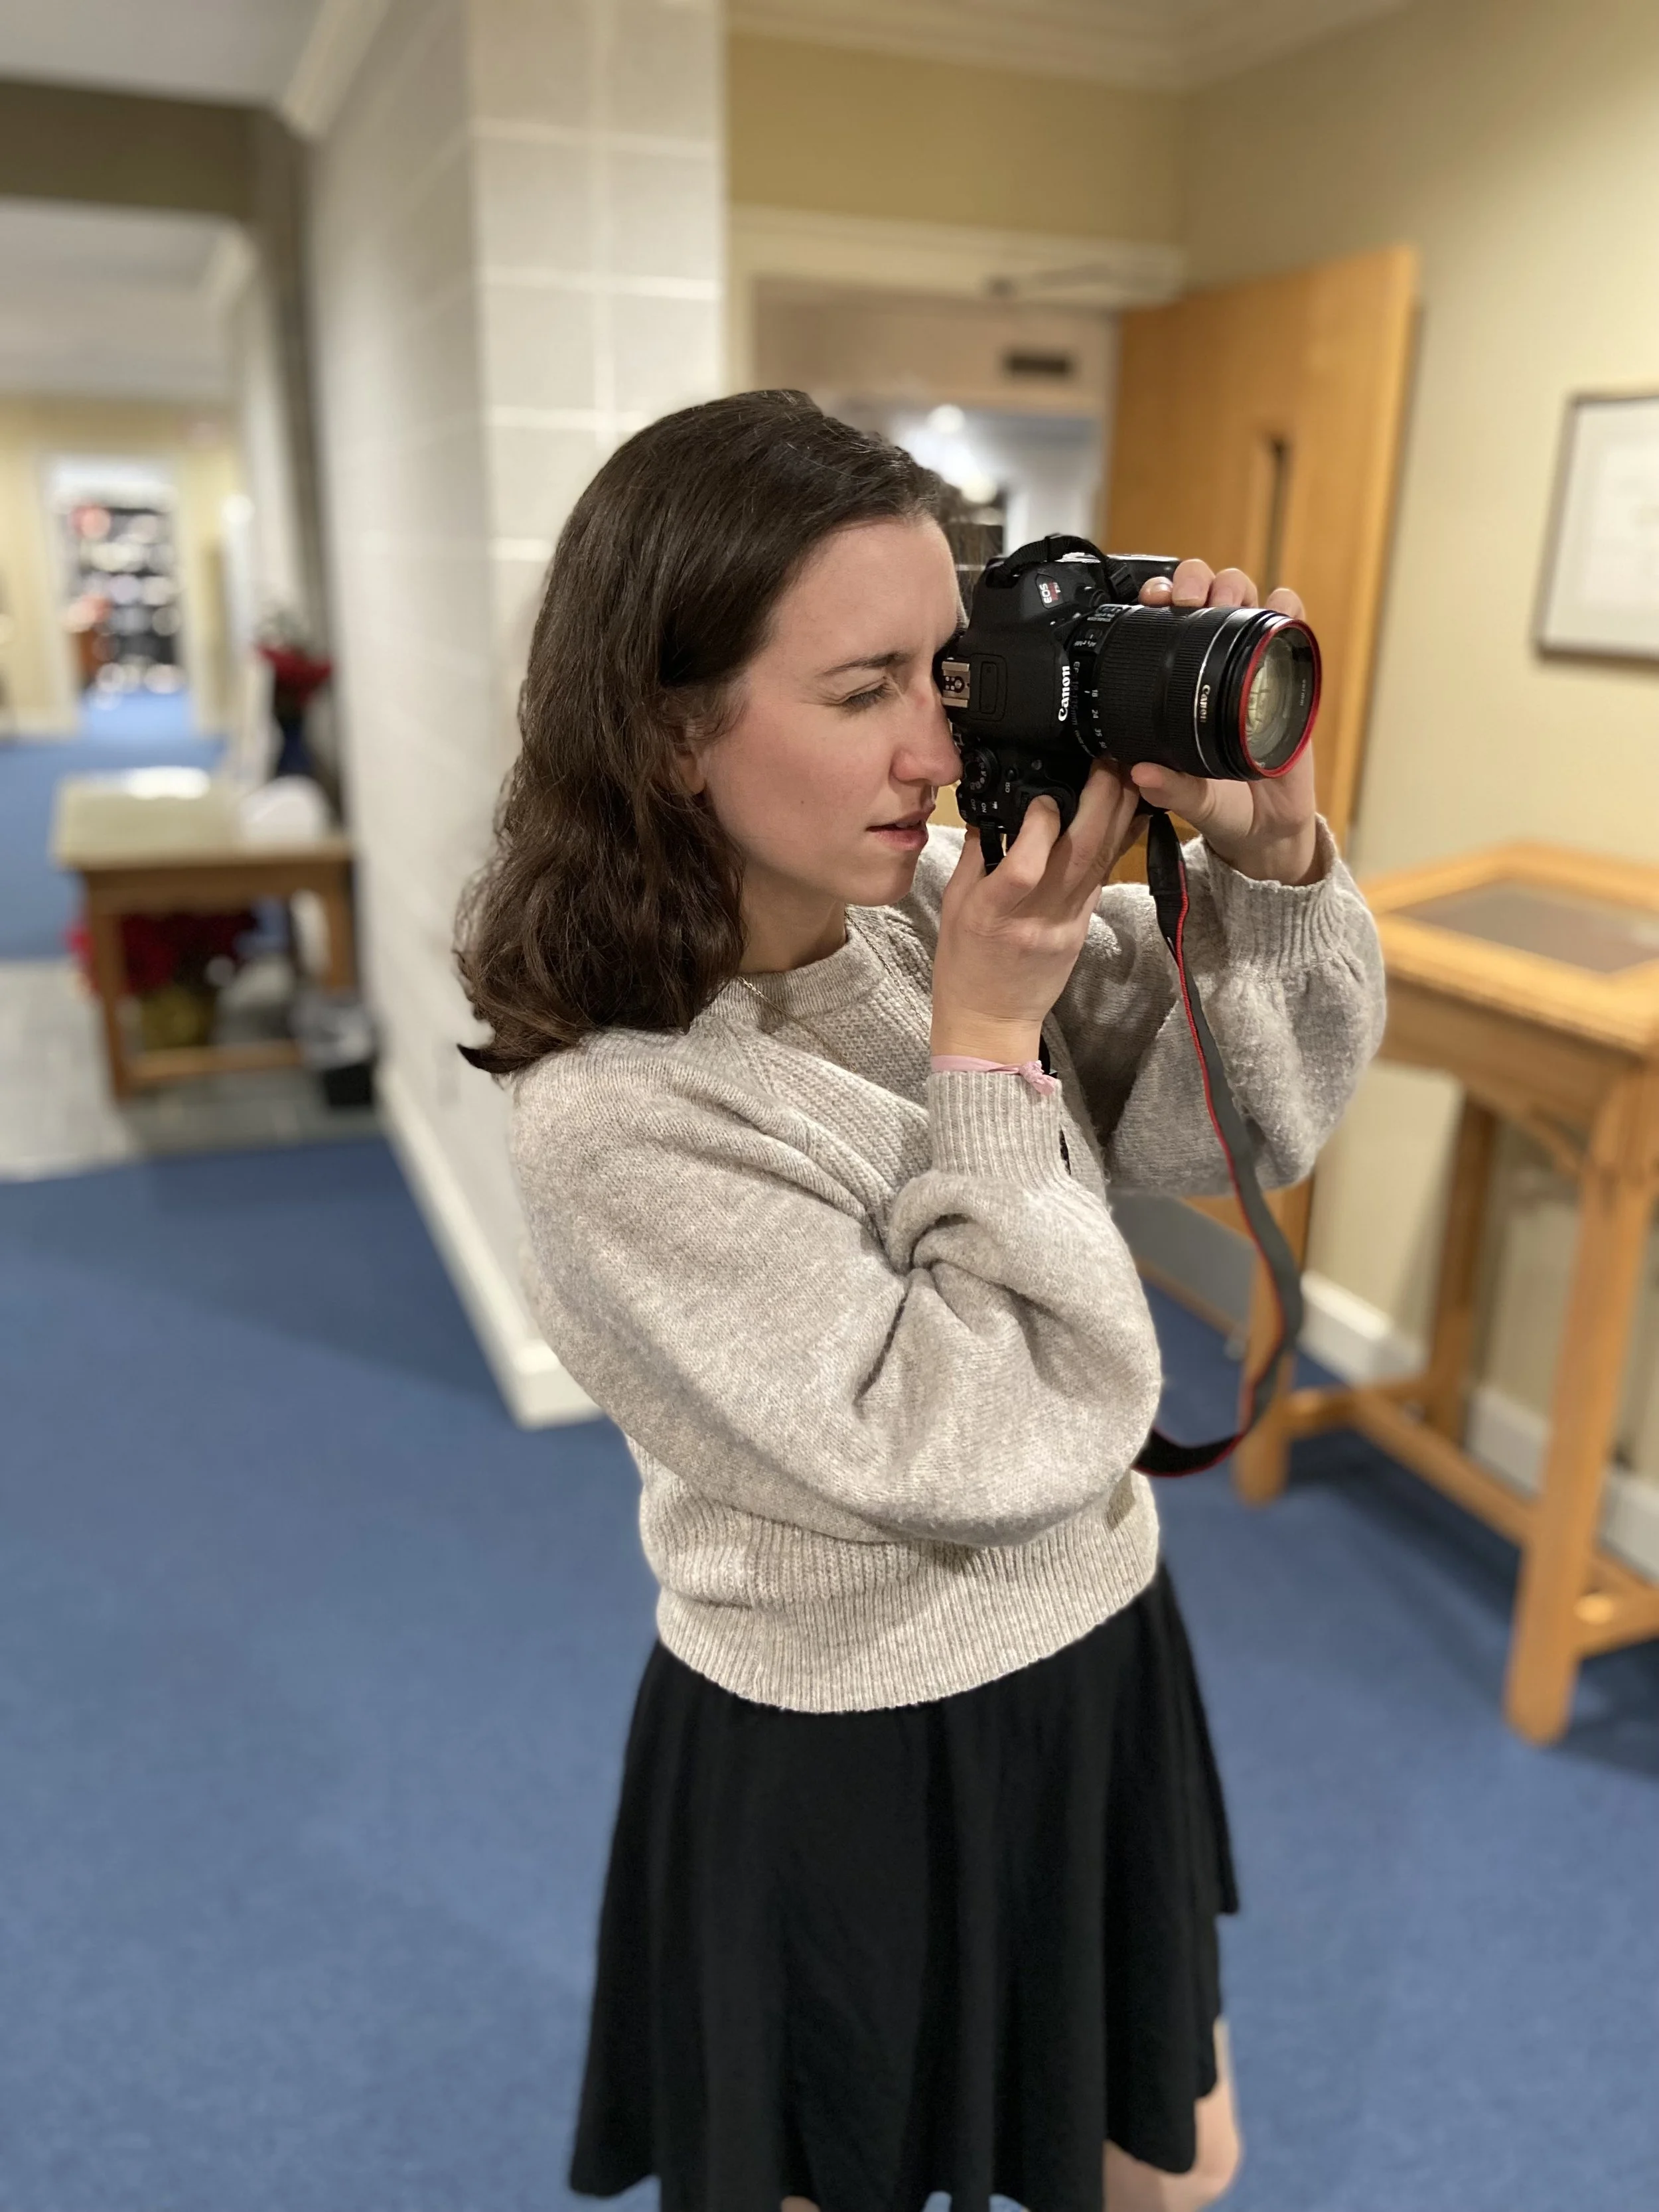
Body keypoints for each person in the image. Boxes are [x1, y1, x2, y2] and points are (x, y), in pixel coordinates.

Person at [456, 390, 1386, 2212]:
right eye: (860, 687)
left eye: (944, 673)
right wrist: (985, 1046)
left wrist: (1266, 859)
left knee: (1169, 2166)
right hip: (848, 1744)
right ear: (667, 730)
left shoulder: (919, 915)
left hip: (1092, 1654)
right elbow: (982, 1436)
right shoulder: (618, 1114)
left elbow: (1237, 1116)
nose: (935, 748)